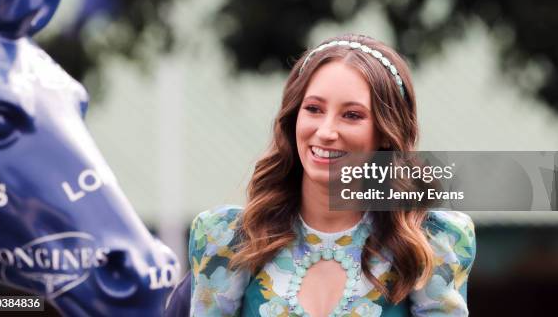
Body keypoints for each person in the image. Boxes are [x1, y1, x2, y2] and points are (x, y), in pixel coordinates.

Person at [186, 34, 476, 316]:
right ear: (293, 117)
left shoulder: (429, 243)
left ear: (386, 134)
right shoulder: (227, 239)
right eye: (313, 109)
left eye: (351, 115)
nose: (325, 132)